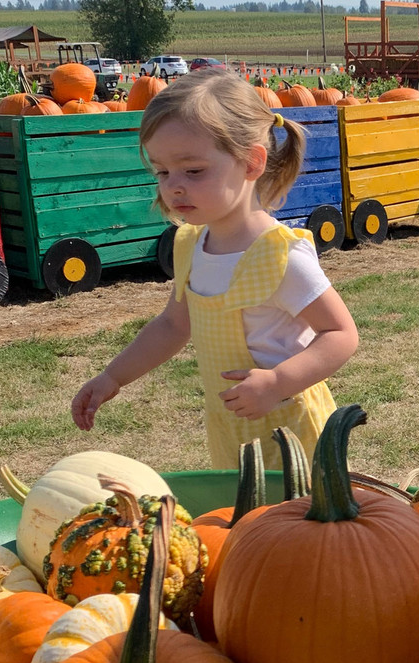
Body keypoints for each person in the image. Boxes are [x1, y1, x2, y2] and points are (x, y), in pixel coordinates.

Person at [71, 69, 359, 469]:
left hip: (295, 434)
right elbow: (173, 326)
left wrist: (278, 383)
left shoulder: (280, 255)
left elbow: (340, 333)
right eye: (162, 171)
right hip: (232, 432)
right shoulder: (191, 244)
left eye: (193, 171)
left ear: (251, 163)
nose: (173, 186)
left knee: (304, 531)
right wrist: (112, 377)